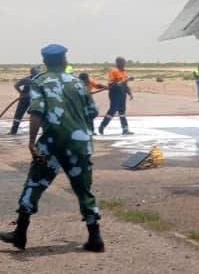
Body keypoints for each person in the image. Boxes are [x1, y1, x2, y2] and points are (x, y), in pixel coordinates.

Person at [0, 44, 104, 252]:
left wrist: (31, 142)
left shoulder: (39, 82)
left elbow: (37, 111)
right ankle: (95, 238)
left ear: (45, 62)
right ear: (64, 60)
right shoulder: (78, 83)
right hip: (80, 144)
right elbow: (93, 112)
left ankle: (20, 234)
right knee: (83, 189)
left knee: (35, 183)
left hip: (53, 143)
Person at [98, 56, 133, 135]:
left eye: (124, 62)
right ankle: (102, 126)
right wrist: (126, 80)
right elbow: (111, 83)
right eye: (122, 62)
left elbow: (125, 84)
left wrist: (129, 93)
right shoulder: (113, 71)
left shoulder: (124, 72)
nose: (124, 64)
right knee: (113, 110)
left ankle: (125, 129)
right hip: (115, 93)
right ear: (117, 63)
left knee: (122, 111)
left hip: (122, 93)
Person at [8, 65, 43, 135]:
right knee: (19, 115)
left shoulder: (39, 80)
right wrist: (21, 93)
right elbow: (16, 85)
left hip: (32, 100)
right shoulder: (28, 79)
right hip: (25, 100)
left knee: (35, 115)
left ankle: (14, 131)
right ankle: (13, 131)